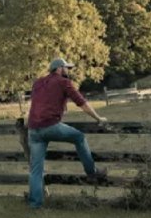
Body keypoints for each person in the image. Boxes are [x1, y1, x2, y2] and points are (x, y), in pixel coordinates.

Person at [26, 57, 107, 209]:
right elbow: (81, 103)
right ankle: (92, 172)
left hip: (33, 129)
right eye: (66, 68)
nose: (68, 71)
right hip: (50, 126)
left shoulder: (37, 83)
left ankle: (35, 205)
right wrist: (98, 118)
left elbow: (36, 104)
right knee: (79, 137)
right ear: (59, 68)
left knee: (36, 170)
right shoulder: (64, 82)